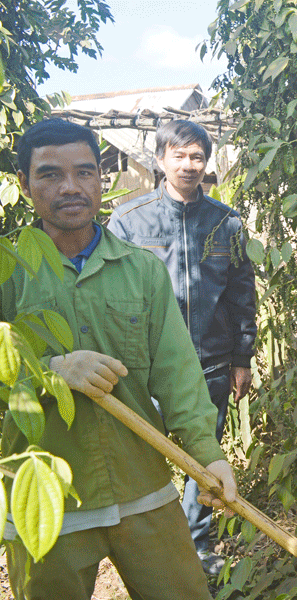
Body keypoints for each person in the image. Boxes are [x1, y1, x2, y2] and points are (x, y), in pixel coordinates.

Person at [1, 118, 236, 600]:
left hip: (142, 490)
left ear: (101, 178)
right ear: (24, 184)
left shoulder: (142, 271)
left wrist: (209, 456)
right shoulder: (8, 272)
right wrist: (49, 373)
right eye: (50, 175)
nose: (71, 187)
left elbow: (177, 376)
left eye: (85, 172)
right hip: (47, 500)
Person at [108, 119, 257, 574]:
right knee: (138, 459)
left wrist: (241, 357)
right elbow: (109, 293)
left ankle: (196, 551)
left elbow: (240, 292)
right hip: (145, 367)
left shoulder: (225, 223)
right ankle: (143, 550)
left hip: (209, 365)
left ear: (206, 163)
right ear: (159, 159)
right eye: (180, 155)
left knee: (203, 461)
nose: (189, 165)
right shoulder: (130, 221)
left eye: (197, 156)